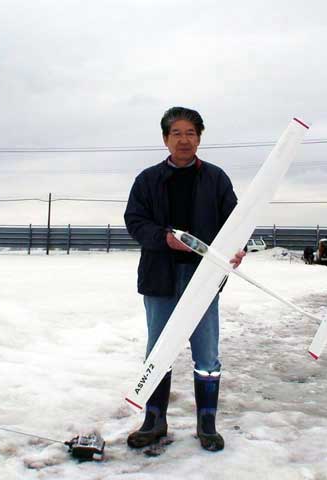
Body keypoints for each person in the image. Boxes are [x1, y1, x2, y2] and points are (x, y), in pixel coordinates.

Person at [124, 107, 245, 452]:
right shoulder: (147, 180)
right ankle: (154, 420)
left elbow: (235, 223)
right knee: (158, 351)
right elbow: (135, 221)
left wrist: (236, 249)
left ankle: (207, 424)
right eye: (176, 133)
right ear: (165, 139)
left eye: (190, 133)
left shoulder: (216, 179)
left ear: (199, 138)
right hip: (159, 278)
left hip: (203, 279)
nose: (183, 139)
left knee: (206, 355)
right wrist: (164, 238)